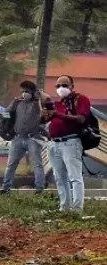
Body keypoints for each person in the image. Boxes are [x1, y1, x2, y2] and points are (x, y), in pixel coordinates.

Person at [45, 74, 91, 213]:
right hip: (54, 144)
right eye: (58, 86)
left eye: (65, 85)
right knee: (59, 178)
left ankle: (77, 209)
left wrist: (57, 115)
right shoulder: (57, 104)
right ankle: (64, 207)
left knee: (75, 177)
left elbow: (81, 119)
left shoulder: (81, 99)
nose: (61, 88)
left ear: (72, 86)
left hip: (71, 142)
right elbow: (48, 120)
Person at [0, 81, 46, 194]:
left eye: (27, 91)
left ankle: (39, 189)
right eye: (23, 91)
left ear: (33, 92)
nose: (25, 93)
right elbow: (6, 113)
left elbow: (45, 103)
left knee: (37, 165)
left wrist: (39, 95)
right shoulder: (16, 102)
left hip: (33, 139)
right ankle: (5, 188)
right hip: (18, 138)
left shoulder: (37, 104)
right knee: (11, 164)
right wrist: (2, 115)